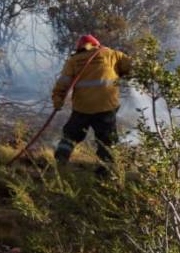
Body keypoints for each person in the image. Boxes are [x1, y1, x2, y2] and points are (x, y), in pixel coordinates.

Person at [51, 34, 132, 171]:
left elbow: (63, 83)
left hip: (82, 107)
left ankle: (60, 160)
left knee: (71, 135)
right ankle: (106, 172)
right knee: (107, 140)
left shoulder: (74, 60)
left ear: (79, 47)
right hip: (106, 106)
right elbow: (130, 66)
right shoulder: (111, 54)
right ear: (96, 44)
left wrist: (57, 100)